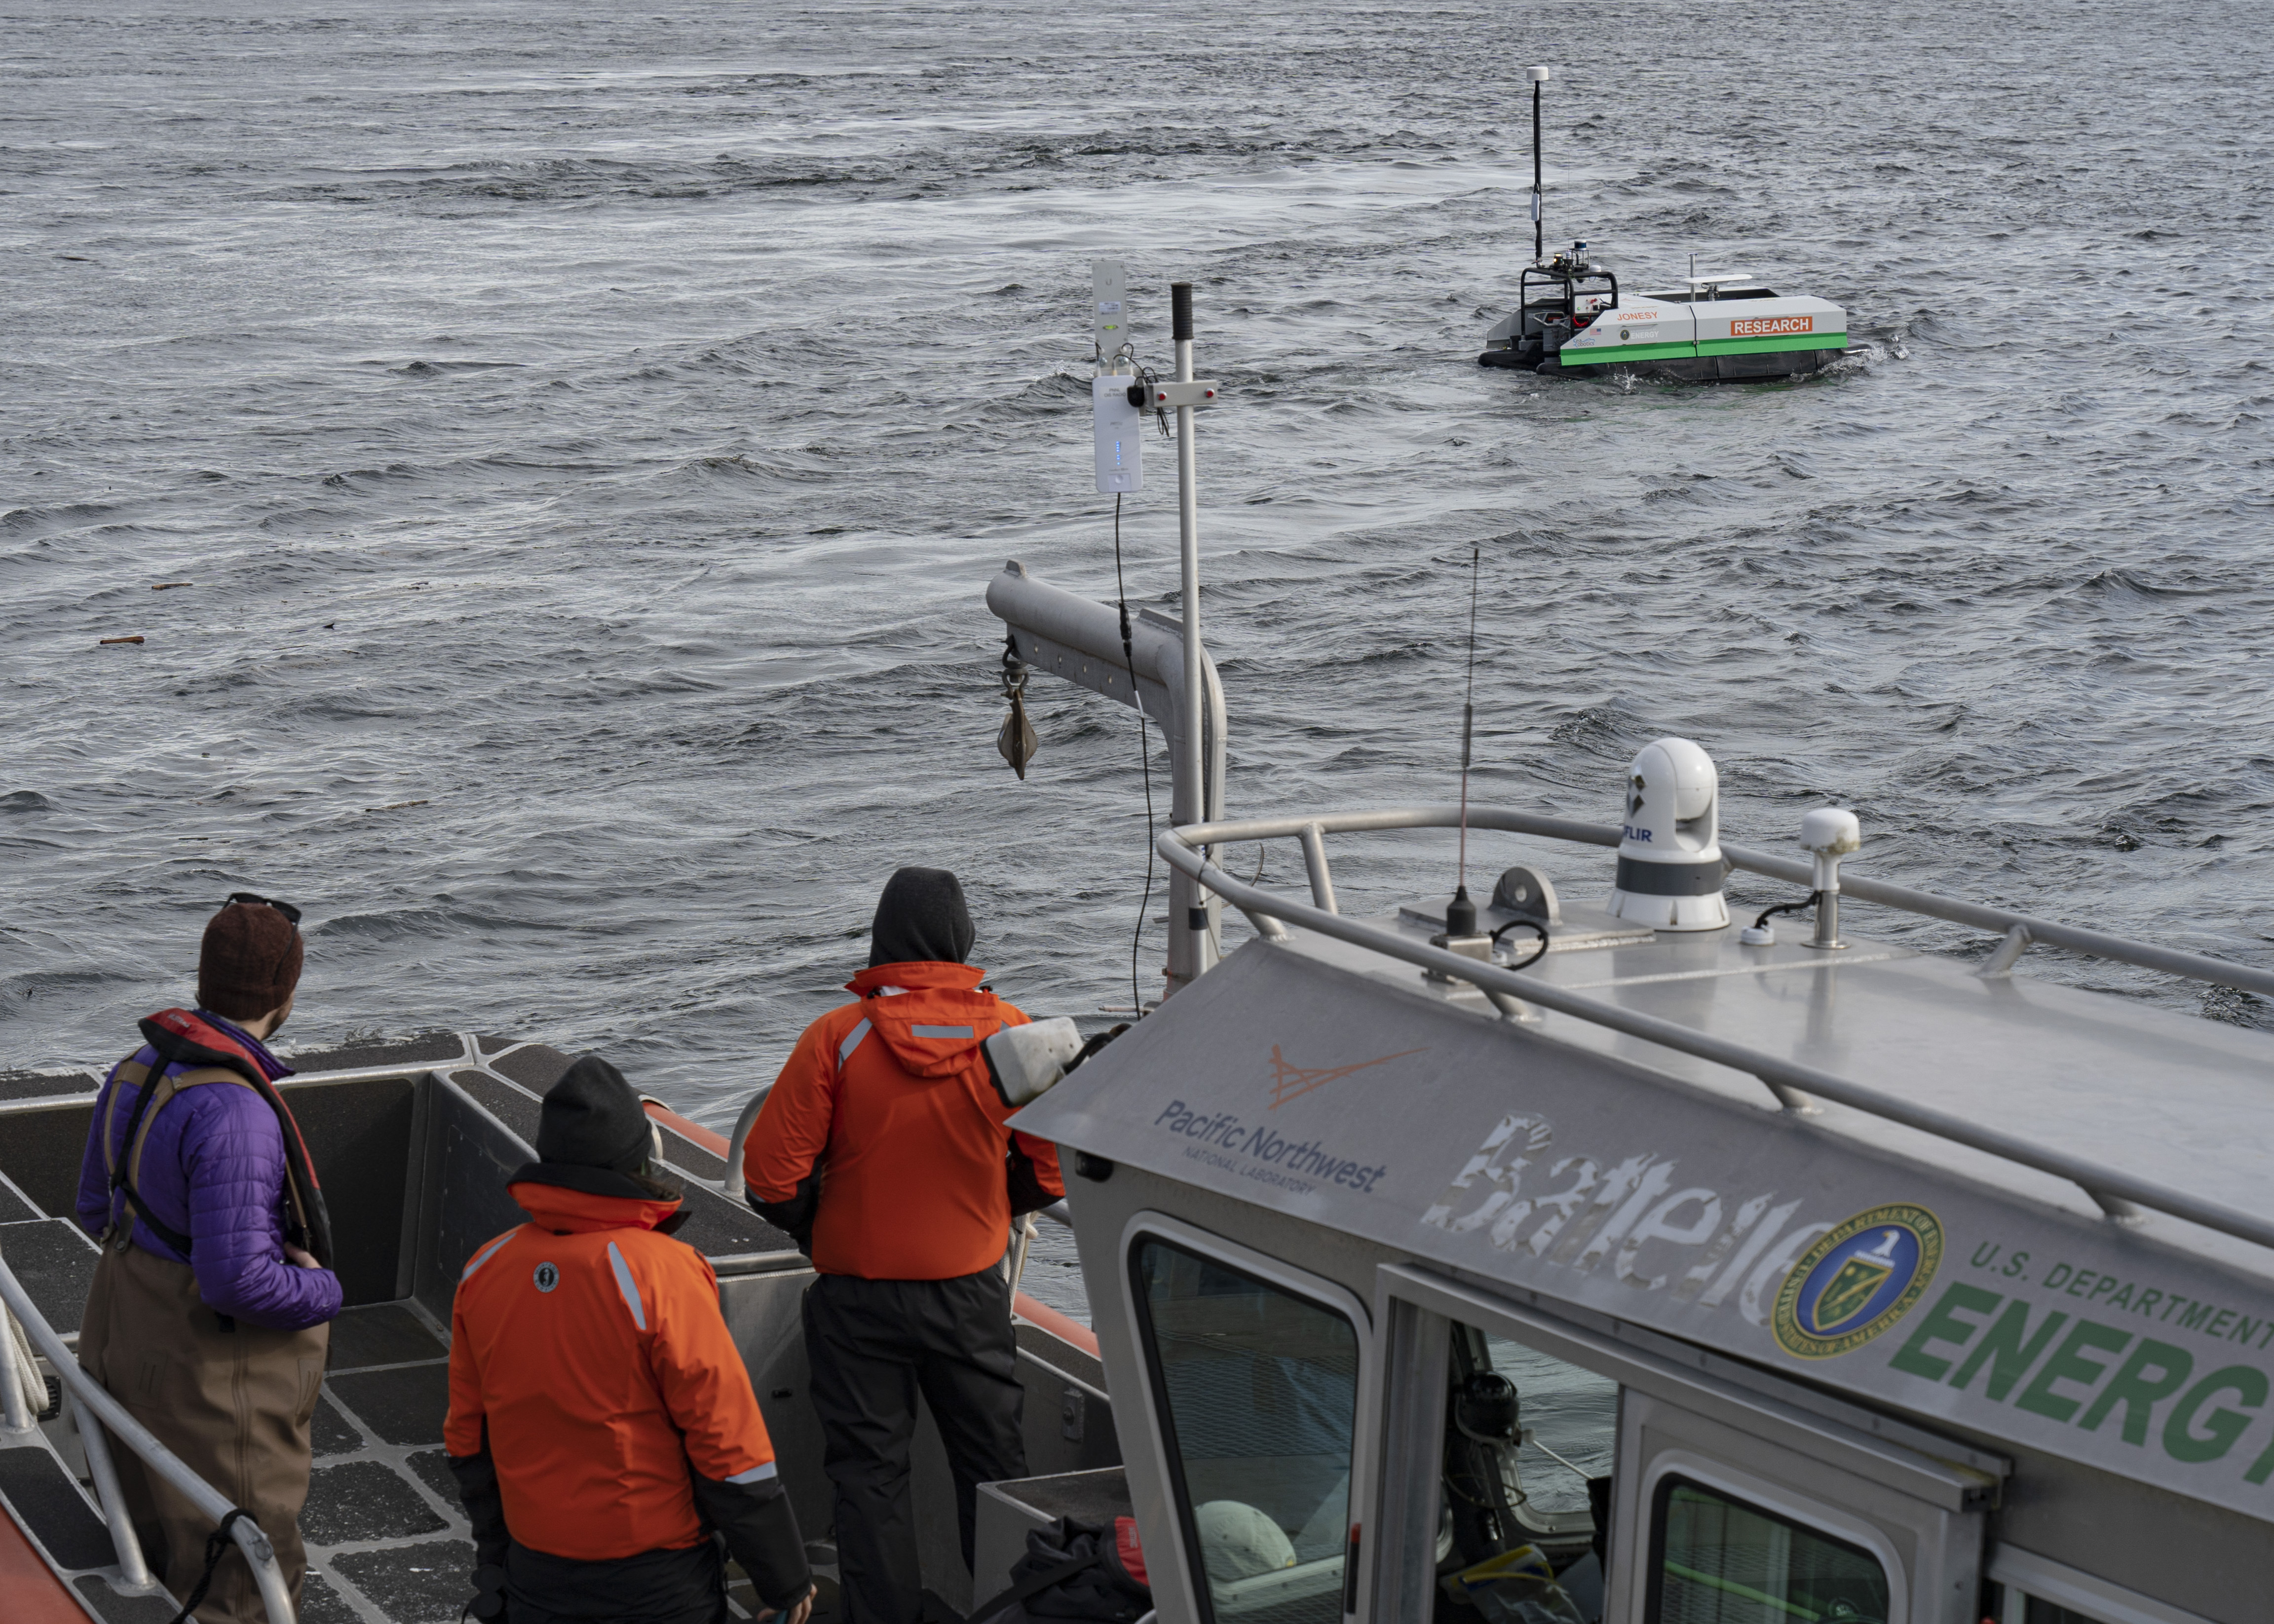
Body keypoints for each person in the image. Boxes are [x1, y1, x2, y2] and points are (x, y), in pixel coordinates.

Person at [744, 866, 1065, 1624]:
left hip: (858, 1298)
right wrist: (992, 1200)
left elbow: (770, 1177)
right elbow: (1048, 1171)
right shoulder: (1014, 1031)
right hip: (972, 1296)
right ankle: (1013, 1611)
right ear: (963, 941)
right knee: (994, 1474)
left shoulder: (839, 1036)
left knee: (869, 1477)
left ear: (884, 938)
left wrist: (818, 1223)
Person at [446, 1055, 815, 1624]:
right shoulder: (663, 1270)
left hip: (535, 1568)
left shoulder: (485, 1269)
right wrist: (783, 1577)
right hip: (655, 1577)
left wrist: (498, 1564)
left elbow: (469, 1440)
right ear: (638, 1159)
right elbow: (725, 1439)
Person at [74, 893, 341, 1624]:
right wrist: (322, 1289)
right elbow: (237, 1281)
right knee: (238, 1573)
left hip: (122, 1331)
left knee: (148, 1527)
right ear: (286, 994)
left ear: (202, 978)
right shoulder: (238, 1110)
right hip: (206, 1379)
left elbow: (95, 1209)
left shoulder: (138, 1065)